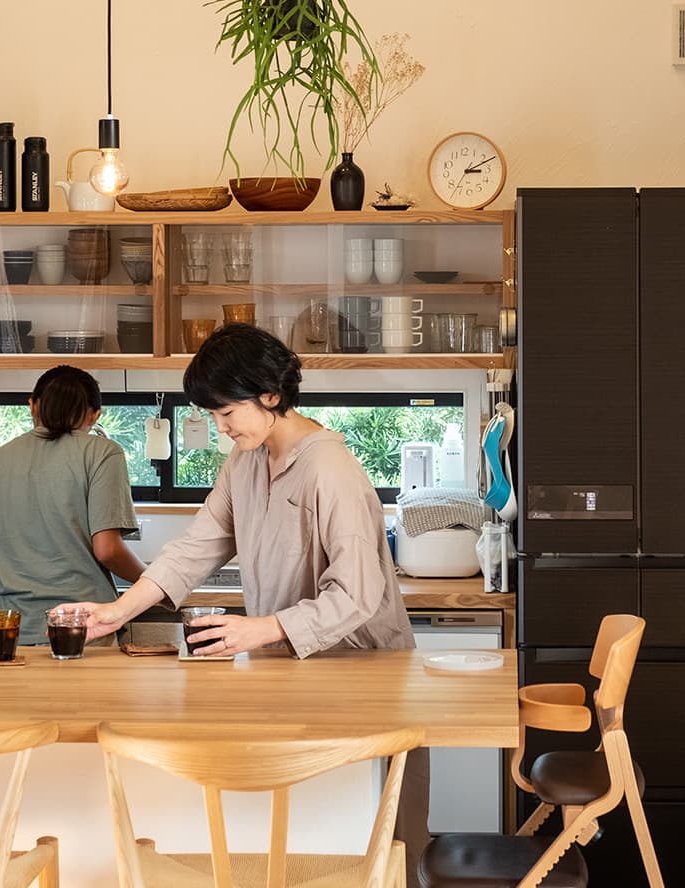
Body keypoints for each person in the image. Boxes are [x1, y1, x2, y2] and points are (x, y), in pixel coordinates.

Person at [52, 323, 428, 879]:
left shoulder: (332, 470)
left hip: (361, 671)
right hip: (301, 671)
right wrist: (116, 612)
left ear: (271, 395)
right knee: (311, 831)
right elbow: (195, 548)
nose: (220, 427)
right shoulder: (246, 462)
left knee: (380, 839)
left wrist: (261, 629)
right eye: (212, 414)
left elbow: (358, 593)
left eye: (227, 413)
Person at [0, 365, 147, 645]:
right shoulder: (102, 452)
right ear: (94, 414)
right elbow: (108, 550)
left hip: (6, 632)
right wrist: (152, 582)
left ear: (32, 406)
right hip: (80, 629)